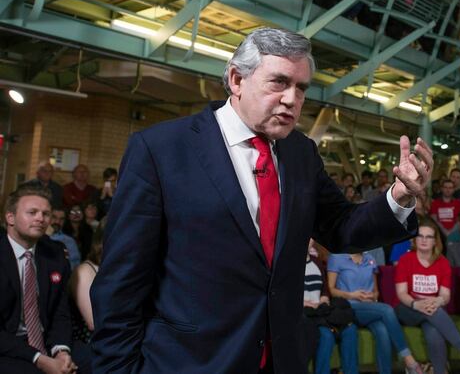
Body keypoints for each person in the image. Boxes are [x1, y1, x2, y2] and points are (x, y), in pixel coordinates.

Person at [90, 28, 432, 373]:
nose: (292, 99)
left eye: (301, 88)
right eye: (279, 82)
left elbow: (342, 227)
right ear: (237, 79)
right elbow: (121, 283)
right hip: (189, 362)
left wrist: (398, 197)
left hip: (281, 360)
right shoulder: (161, 149)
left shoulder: (301, 153)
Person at [0, 186, 81, 374]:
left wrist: (61, 351)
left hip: (47, 340)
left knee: (97, 360)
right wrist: (38, 359)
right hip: (7, 345)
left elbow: (60, 312)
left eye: (46, 214)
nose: (40, 218)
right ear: (10, 218)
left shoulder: (56, 253)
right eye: (32, 212)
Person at [394, 222, 460, 373]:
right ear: (415, 239)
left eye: (429, 237)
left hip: (432, 310)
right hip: (408, 309)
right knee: (435, 313)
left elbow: (445, 295)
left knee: (433, 331)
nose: (424, 240)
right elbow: (401, 293)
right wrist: (417, 304)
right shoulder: (405, 260)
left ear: (435, 241)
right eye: (420, 236)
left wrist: (438, 300)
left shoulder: (443, 262)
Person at [327, 251, 424, 374]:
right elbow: (331, 290)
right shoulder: (336, 258)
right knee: (387, 310)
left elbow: (376, 291)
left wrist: (372, 296)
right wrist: (352, 295)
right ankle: (408, 359)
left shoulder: (370, 259)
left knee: (382, 330)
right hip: (348, 307)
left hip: (369, 307)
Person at [303, 240, 358, 374]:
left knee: (350, 329)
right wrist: (304, 303)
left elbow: (325, 289)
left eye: (310, 238)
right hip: (305, 313)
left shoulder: (316, 262)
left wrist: (324, 298)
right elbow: (285, 293)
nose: (307, 240)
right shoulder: (289, 264)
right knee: (326, 335)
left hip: (322, 309)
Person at [69, 228, 103, 347]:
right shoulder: (85, 271)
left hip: (118, 336)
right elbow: (93, 323)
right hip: (91, 342)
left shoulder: (118, 269)